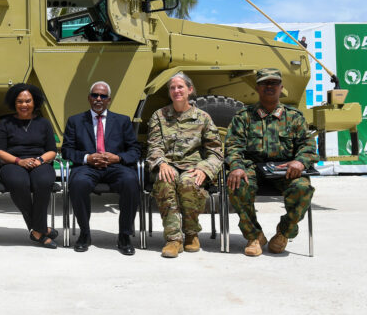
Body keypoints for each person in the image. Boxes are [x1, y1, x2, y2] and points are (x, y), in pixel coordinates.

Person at [226, 68, 318, 256]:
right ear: (257, 88)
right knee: (236, 185)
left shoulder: (294, 117)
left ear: (281, 88)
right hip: (252, 168)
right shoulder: (243, 117)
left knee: (303, 188)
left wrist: (300, 162)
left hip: (284, 170)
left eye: (274, 83)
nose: (269, 86)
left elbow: (308, 146)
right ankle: (254, 236)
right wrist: (236, 167)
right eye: (264, 83)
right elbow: (233, 146)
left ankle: (284, 233)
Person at [146, 73, 223, 258]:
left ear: (190, 90)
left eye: (180, 87)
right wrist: (161, 163)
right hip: (168, 165)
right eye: (172, 88)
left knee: (189, 182)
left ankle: (191, 234)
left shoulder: (203, 117)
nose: (176, 91)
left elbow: (216, 151)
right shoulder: (159, 116)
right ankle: (173, 239)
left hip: (193, 167)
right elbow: (153, 146)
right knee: (166, 180)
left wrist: (204, 169)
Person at [63, 81, 141, 255]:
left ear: (109, 100)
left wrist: (118, 158)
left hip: (115, 166)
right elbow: (67, 150)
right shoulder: (75, 121)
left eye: (103, 96)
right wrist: (87, 158)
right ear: (89, 98)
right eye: (95, 95)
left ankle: (124, 235)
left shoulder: (122, 121)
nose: (99, 99)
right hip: (87, 167)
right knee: (78, 183)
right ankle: (84, 233)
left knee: (130, 181)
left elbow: (135, 150)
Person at [0, 83, 59, 248]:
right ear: (14, 103)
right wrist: (18, 161)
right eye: (20, 101)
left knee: (44, 181)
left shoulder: (44, 123)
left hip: (39, 161)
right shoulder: (6, 122)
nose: (24, 105)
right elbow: (0, 151)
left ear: (34, 102)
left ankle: (37, 230)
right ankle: (40, 229)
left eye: (28, 101)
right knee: (19, 183)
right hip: (12, 162)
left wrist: (39, 160)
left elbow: (52, 150)